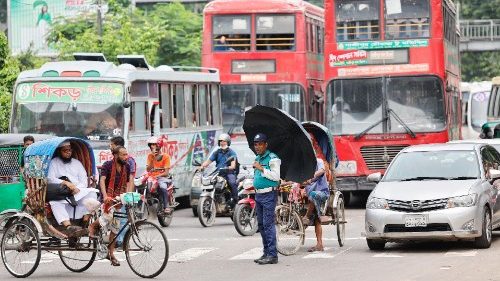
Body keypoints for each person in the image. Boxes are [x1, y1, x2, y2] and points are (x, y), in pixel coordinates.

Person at [90, 146, 132, 266]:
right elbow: (102, 181)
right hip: (107, 197)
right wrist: (105, 195)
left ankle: (111, 253)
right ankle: (93, 226)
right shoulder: (107, 165)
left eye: (126, 154)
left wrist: (127, 195)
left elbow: (128, 183)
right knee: (108, 217)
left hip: (119, 198)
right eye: (123, 155)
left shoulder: (127, 166)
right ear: (116, 155)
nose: (126, 157)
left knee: (115, 228)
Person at [47, 141, 97, 235]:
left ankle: (84, 223)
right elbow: (50, 179)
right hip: (62, 192)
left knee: (92, 194)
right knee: (55, 203)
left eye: (69, 150)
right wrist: (65, 183)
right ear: (59, 151)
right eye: (65, 150)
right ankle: (69, 226)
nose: (68, 152)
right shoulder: (53, 163)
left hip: (77, 191)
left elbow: (84, 181)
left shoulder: (77, 163)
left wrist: (76, 188)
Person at [252, 133, 280, 265]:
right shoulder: (258, 158)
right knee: (261, 225)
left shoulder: (273, 158)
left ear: (266, 145)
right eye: (255, 144)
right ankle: (266, 252)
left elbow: (276, 177)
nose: (257, 147)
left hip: (269, 195)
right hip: (258, 195)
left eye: (260, 144)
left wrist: (261, 169)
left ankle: (273, 255)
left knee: (268, 224)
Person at [199, 133, 239, 208]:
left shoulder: (231, 152)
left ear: (228, 142)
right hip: (219, 173)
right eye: (220, 141)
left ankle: (235, 199)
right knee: (210, 182)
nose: (222, 142)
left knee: (232, 182)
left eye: (224, 141)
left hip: (228, 173)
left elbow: (233, 165)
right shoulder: (217, 152)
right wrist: (202, 166)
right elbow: (208, 162)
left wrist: (228, 167)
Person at [109, 136, 136, 247]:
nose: (110, 146)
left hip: (124, 194)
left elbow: (130, 180)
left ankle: (122, 240)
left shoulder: (128, 162)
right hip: (114, 195)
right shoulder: (110, 163)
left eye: (111, 144)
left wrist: (127, 195)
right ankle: (117, 240)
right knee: (116, 218)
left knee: (123, 218)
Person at [301, 157, 329, 252]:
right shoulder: (304, 165)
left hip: (322, 193)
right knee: (317, 219)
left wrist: (311, 177)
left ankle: (306, 217)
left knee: (313, 195)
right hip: (311, 196)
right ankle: (319, 244)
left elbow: (321, 171)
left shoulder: (318, 161)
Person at [146, 137, 172, 214]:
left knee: (162, 186)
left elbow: (166, 173)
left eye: (154, 145)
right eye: (151, 145)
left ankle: (166, 206)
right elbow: (148, 169)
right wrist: (153, 158)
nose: (152, 147)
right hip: (152, 177)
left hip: (162, 177)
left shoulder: (166, 156)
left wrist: (157, 176)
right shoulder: (150, 156)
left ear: (159, 146)